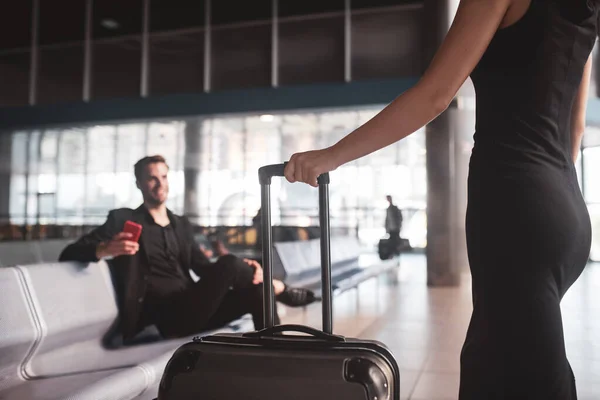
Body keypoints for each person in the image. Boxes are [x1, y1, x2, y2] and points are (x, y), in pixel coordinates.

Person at [282, 0, 595, 398]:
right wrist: (552, 206)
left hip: (515, 208)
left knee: (516, 377)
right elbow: (577, 127)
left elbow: (435, 95)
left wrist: (332, 156)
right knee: (506, 364)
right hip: (563, 207)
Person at [59, 155, 316, 341]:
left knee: (257, 291)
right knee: (230, 264)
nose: (160, 183)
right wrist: (105, 248)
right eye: (151, 178)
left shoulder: (180, 224)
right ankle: (280, 288)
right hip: (165, 317)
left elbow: (203, 268)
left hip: (195, 305)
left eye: (163, 176)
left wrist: (239, 270)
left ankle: (276, 349)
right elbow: (69, 253)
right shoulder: (123, 220)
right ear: (139, 183)